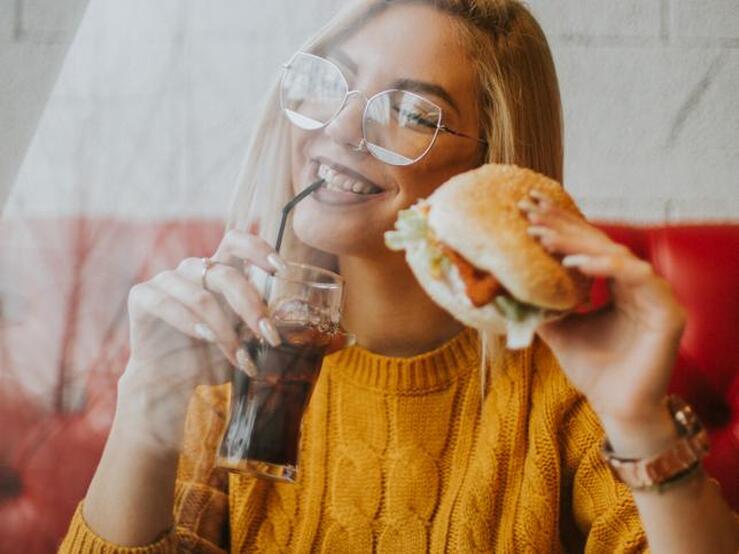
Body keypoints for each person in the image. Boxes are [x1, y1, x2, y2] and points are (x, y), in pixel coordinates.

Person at [60, 0, 739, 552]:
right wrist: (146, 402)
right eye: (333, 82)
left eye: (412, 113)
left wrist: (637, 420)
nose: (341, 127)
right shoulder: (228, 346)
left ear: (491, 165)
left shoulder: (566, 386)